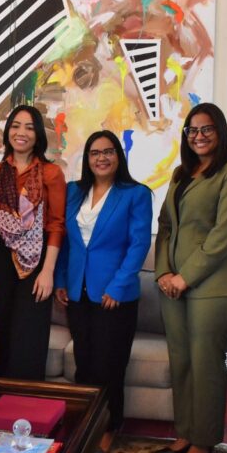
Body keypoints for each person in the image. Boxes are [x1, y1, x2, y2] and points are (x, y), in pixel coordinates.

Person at [153, 102, 227, 453]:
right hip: (173, 283)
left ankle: (205, 440)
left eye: (206, 129)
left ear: (220, 133)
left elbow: (223, 235)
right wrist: (163, 271)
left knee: (206, 361)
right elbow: (165, 226)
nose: (199, 136)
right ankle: (185, 432)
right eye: (192, 131)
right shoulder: (180, 175)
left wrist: (184, 276)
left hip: (214, 284)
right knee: (181, 359)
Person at [55, 130, 152, 435]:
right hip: (77, 292)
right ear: (87, 159)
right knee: (84, 365)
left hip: (115, 295)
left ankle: (110, 429)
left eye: (108, 152)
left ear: (118, 156)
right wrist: (61, 280)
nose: (102, 158)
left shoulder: (135, 194)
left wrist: (118, 286)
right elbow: (65, 241)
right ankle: (85, 429)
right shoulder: (73, 192)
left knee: (109, 367)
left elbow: (138, 246)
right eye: (95, 153)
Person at [0, 105, 66, 379]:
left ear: (38, 135)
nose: (21, 132)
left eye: (29, 127)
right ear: (8, 132)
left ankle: (28, 411)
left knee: (28, 339)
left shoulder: (51, 173)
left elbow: (56, 225)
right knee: (2, 336)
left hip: (36, 261)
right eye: (15, 126)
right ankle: (2, 409)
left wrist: (48, 272)